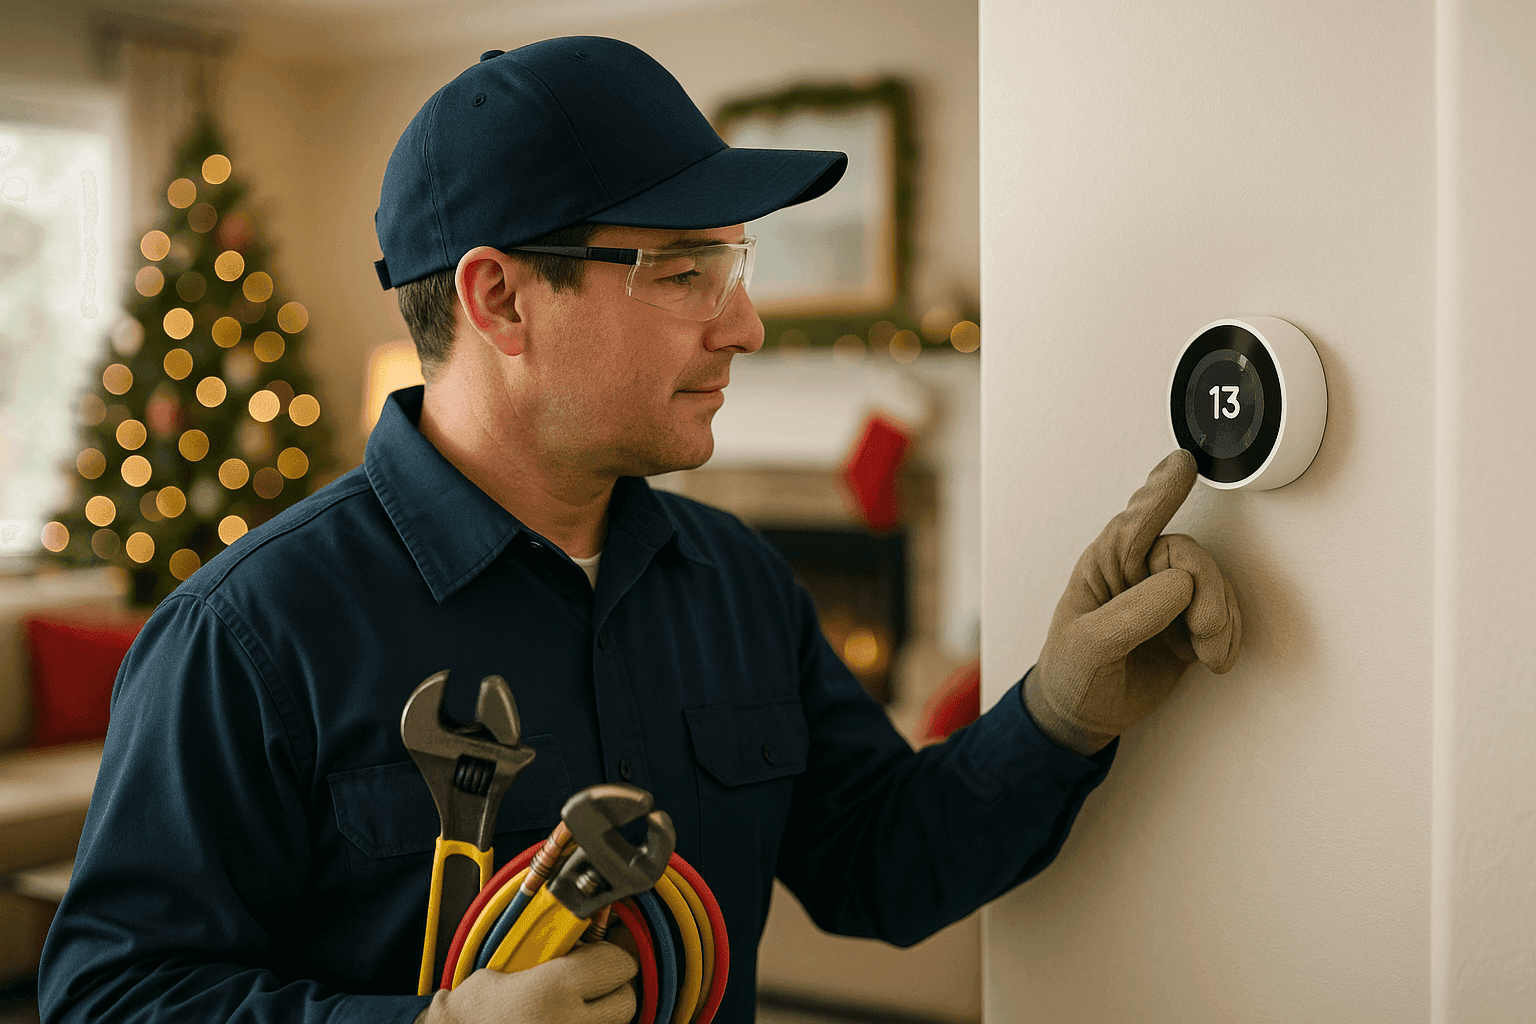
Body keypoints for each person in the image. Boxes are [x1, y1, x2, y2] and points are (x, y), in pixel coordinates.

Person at [38, 35, 1241, 1024]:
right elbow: (111, 997)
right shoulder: (246, 633)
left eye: (735, 266)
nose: (746, 326)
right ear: (499, 297)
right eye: (683, 273)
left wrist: (1059, 713)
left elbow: (881, 861)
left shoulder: (739, 583)